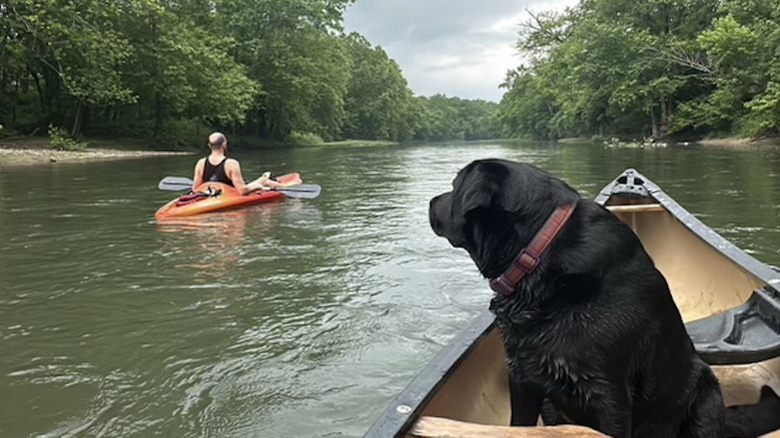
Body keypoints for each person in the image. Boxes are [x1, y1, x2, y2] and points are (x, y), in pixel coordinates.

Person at [192, 132, 284, 195]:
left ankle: (265, 179)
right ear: (224, 145)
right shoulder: (231, 164)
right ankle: (278, 185)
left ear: (209, 146)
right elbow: (242, 191)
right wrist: (258, 187)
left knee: (263, 180)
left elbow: (195, 189)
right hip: (228, 195)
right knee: (263, 182)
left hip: (212, 193)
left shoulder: (201, 163)